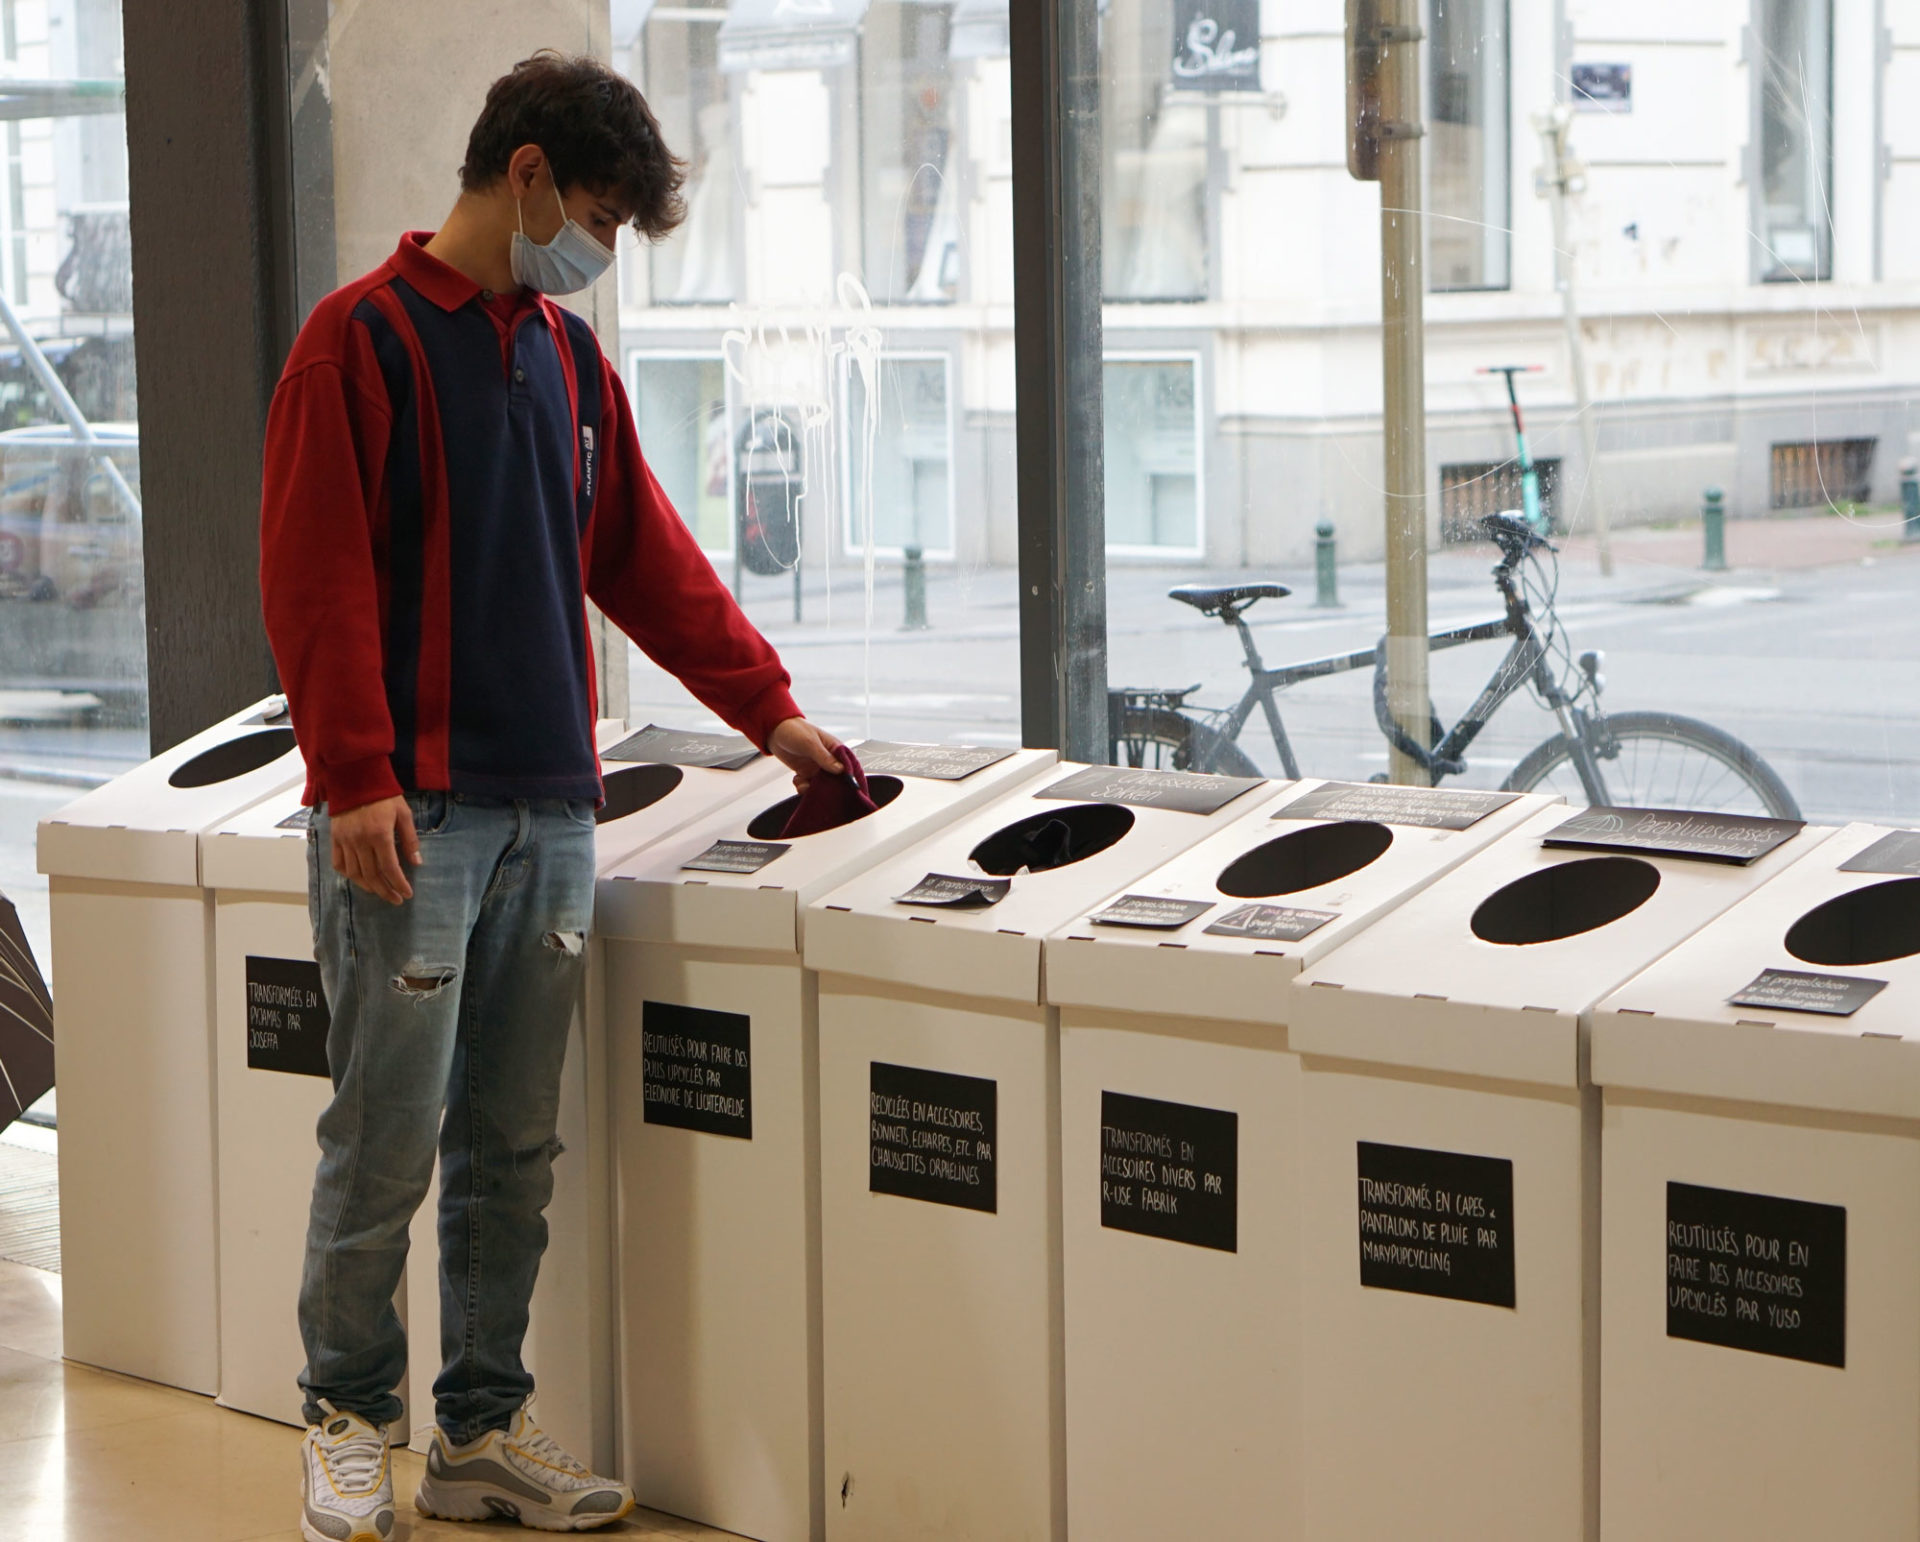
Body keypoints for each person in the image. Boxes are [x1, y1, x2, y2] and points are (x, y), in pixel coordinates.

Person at [259, 51, 842, 1542]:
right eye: (589, 216)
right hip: (416, 821)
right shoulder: (357, 345)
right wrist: (356, 778)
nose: (592, 256)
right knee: (386, 1134)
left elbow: (640, 552)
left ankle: (480, 1430)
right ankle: (346, 1421)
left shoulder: (568, 365)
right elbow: (312, 579)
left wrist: (769, 709)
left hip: (555, 811)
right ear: (522, 176)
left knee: (514, 1141)